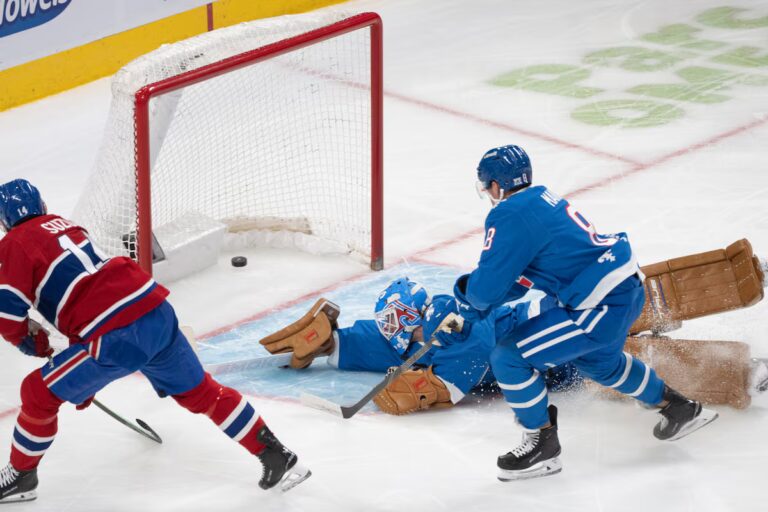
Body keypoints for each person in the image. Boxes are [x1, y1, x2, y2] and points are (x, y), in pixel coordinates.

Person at [0, 179, 310, 504]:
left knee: (36, 393)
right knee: (202, 392)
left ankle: (22, 476)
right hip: (155, 311)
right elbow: (91, 291)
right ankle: (275, 453)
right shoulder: (69, 227)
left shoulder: (13, 245)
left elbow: (7, 313)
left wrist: (27, 341)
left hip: (116, 334)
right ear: (44, 206)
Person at [450, 144, 718, 481]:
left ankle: (542, 447)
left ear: (496, 185)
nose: (487, 193)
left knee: (509, 356)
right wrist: (474, 309)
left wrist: (466, 299)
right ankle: (680, 408)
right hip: (624, 288)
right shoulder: (540, 199)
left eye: (486, 186)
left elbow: (486, 288)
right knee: (600, 364)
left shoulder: (509, 213)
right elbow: (517, 282)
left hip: (598, 303)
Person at [258, 277, 583, 415]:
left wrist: (439, 385)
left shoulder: (458, 326)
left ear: (410, 317)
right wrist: (330, 343)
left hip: (557, 353)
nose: (387, 328)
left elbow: (481, 346)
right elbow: (380, 343)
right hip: (532, 347)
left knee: (600, 360)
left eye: (390, 321)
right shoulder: (413, 333)